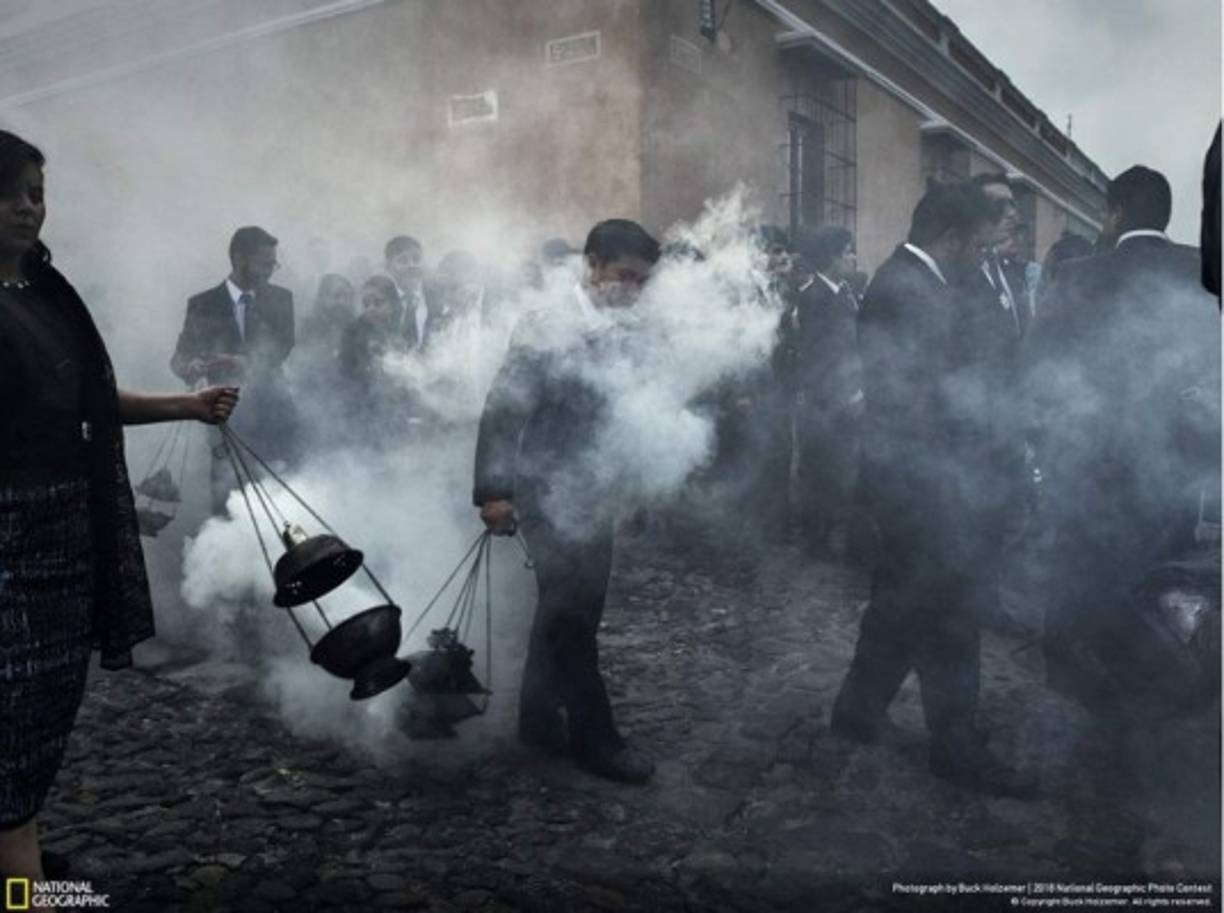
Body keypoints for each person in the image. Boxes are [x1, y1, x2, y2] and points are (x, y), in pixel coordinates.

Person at [0, 130, 238, 884]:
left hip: (63, 539)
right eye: (9, 192)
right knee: (11, 717)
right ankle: (26, 891)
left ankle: (21, 856)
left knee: (41, 708)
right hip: (7, 541)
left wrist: (189, 406)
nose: (27, 207)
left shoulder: (39, 293)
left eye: (37, 191)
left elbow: (91, 399)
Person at [829, 180, 1036, 797]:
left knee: (897, 606)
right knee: (952, 617)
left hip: (921, 483)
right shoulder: (903, 291)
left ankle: (856, 713)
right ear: (947, 240)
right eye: (975, 245)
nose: (982, 256)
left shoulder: (933, 281)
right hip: (925, 488)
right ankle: (957, 746)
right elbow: (922, 405)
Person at [1025, 165, 1220, 720]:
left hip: (1090, 468)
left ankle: (1073, 678)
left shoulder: (1080, 278)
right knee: (1164, 577)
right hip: (1178, 475)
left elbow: (1037, 373)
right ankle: (1165, 689)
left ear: (1112, 214)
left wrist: (1048, 449)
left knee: (1083, 574)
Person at [473, 219, 660, 784]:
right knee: (574, 618)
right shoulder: (547, 326)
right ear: (593, 267)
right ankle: (595, 740)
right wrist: (495, 492)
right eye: (626, 276)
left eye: (644, 282)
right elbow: (503, 411)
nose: (634, 290)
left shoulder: (623, 327)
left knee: (563, 612)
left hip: (593, 491)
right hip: (547, 493)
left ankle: (535, 719)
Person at [170, 225, 296, 512]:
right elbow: (178, 358)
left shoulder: (281, 298)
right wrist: (190, 366)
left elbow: (282, 347)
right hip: (226, 419)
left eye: (273, 263)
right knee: (229, 503)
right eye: (265, 263)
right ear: (240, 259)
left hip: (275, 416)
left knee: (284, 500)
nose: (271, 270)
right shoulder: (202, 304)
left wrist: (242, 363)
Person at [791, 225, 864, 557]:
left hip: (848, 394)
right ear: (832, 257)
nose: (853, 257)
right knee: (820, 467)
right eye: (848, 251)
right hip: (825, 398)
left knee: (842, 466)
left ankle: (833, 532)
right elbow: (816, 355)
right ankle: (815, 538)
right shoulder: (814, 297)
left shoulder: (845, 292)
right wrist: (840, 394)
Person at [338, 275, 413, 444]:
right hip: (361, 411)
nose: (371, 308)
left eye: (378, 303)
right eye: (366, 303)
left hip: (394, 412)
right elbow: (346, 374)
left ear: (393, 305)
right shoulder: (352, 332)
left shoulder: (398, 330)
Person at [384, 235, 432, 350]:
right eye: (402, 260)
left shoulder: (438, 300)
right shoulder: (379, 301)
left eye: (416, 259)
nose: (411, 266)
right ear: (388, 267)